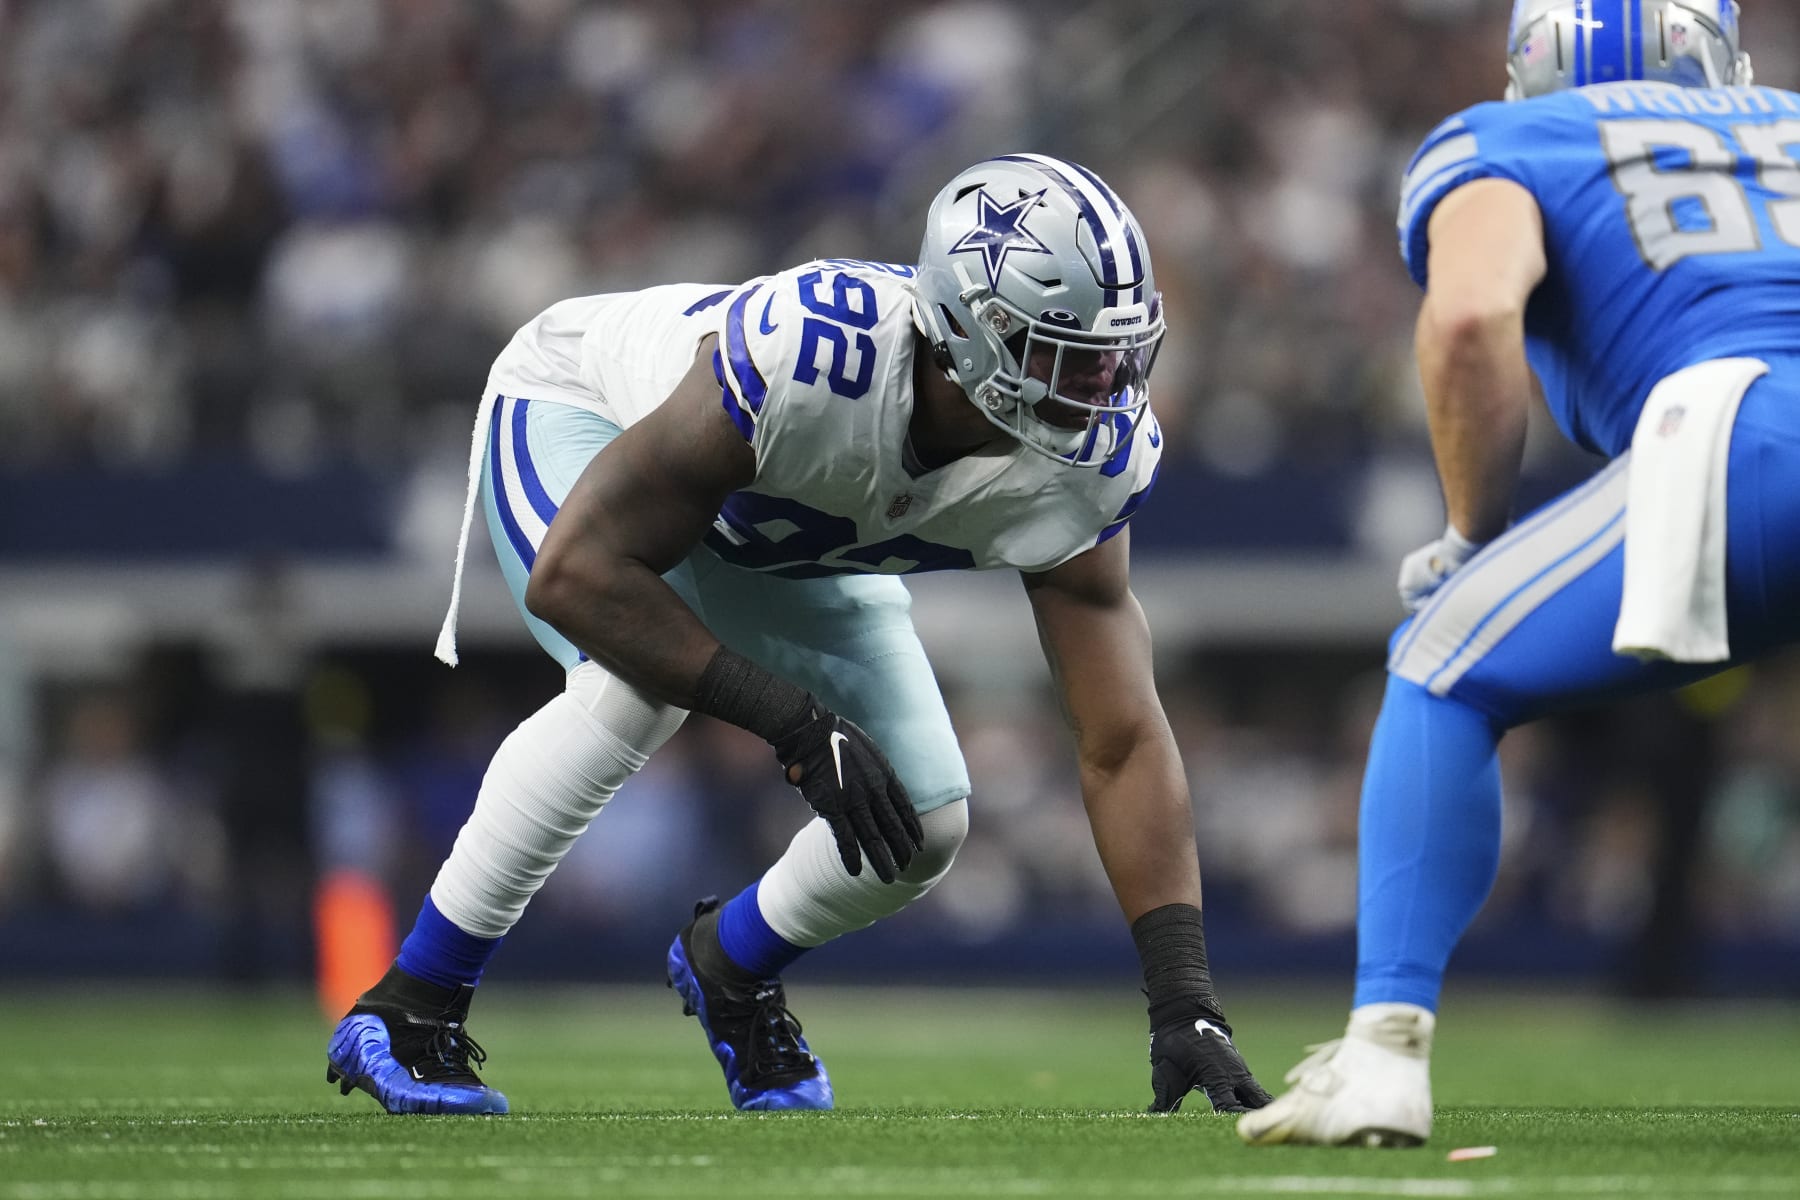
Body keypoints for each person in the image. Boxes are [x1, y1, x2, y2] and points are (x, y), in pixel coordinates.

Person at [324, 154, 1270, 1116]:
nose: (1102, 387)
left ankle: (730, 967)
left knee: (925, 821)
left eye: (1116, 354)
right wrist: (791, 720)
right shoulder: (812, 357)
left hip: (773, 533)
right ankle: (410, 1006)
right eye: (1062, 352)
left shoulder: (1093, 463)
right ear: (965, 334)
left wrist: (1184, 999)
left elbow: (1121, 736)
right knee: (631, 692)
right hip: (588, 413)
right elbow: (582, 573)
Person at [1240, 0, 1800, 1148]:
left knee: (1444, 665)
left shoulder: (1508, 139)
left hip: (1750, 432)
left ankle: (1384, 1055)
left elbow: (1469, 320)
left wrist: (1469, 530)